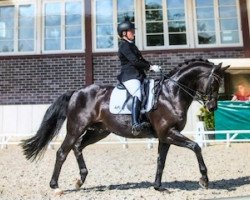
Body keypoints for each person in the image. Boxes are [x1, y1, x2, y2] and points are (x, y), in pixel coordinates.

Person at [116, 21, 161, 135]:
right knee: (137, 94)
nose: (134, 33)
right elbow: (134, 61)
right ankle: (135, 124)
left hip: (138, 75)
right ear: (124, 33)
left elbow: (140, 60)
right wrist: (149, 67)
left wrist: (152, 66)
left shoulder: (131, 44)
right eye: (132, 31)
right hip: (130, 76)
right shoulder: (123, 45)